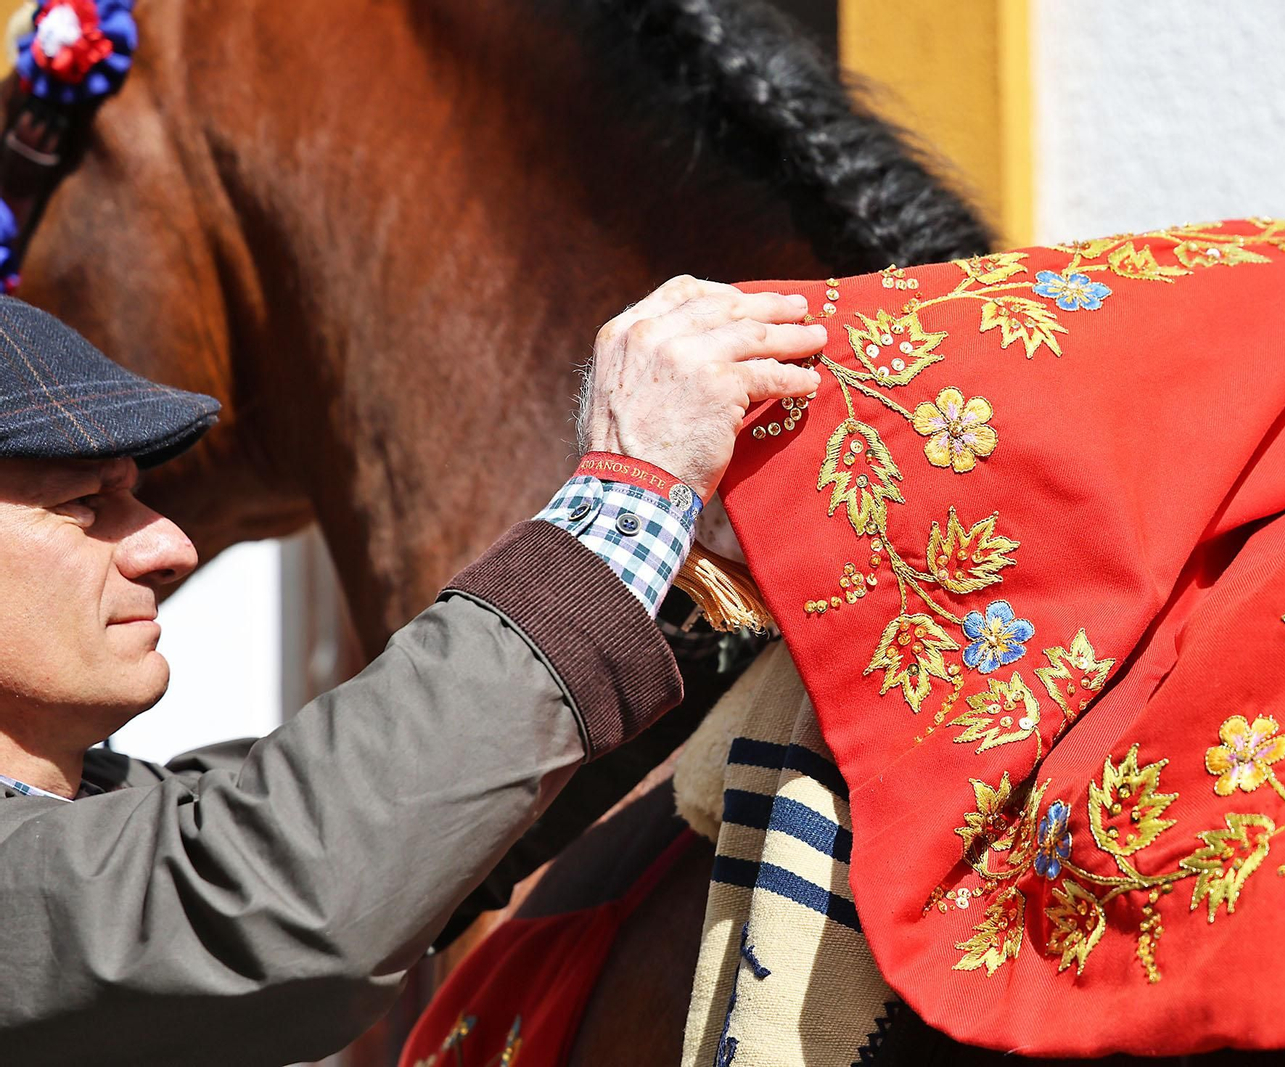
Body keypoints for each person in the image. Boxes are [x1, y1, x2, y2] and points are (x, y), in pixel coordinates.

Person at [0, 276, 825, 1064]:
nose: (169, 546)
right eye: (83, 504)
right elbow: (279, 887)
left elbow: (382, 822)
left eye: (135, 496)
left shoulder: (105, 813)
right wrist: (631, 496)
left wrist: (702, 592)